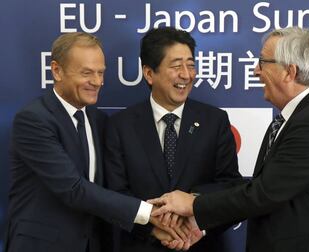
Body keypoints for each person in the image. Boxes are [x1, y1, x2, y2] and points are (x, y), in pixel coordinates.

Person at [149, 27, 309, 252]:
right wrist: (200, 224)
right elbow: (270, 188)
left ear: (289, 71)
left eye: (263, 62)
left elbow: (263, 194)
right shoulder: (300, 116)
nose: (256, 71)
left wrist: (194, 204)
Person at [3, 32, 186, 252]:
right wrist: (149, 213)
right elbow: (73, 189)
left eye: (101, 73)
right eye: (87, 73)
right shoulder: (33, 120)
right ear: (56, 70)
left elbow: (107, 190)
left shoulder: (99, 120)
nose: (97, 82)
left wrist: (151, 227)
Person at [104, 27, 242, 251]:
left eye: (191, 65)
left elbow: (230, 186)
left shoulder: (214, 121)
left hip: (202, 245)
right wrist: (151, 226)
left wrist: (196, 219)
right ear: (149, 73)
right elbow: (115, 194)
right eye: (177, 66)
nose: (186, 75)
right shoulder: (120, 126)